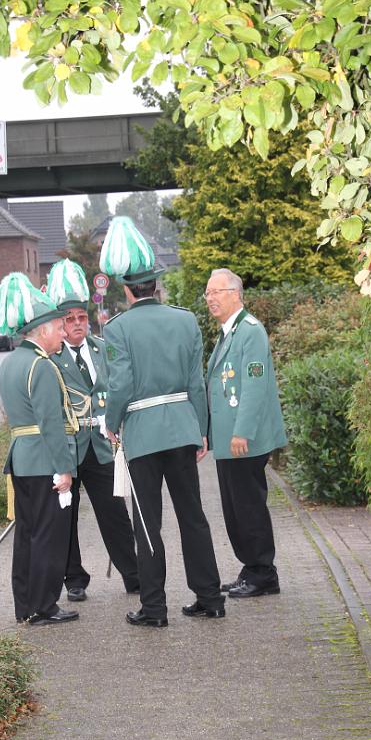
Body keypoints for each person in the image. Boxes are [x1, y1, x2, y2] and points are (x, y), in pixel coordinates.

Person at [100, 217, 224, 628]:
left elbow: (121, 384)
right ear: (155, 285)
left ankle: (154, 608)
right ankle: (210, 597)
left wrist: (111, 422)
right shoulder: (185, 320)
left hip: (142, 434)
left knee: (147, 523)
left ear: (126, 289)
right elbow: (196, 382)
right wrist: (202, 430)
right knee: (193, 517)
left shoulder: (117, 329)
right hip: (183, 429)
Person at [47, 259, 139, 600]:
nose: (77, 324)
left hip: (100, 444)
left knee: (114, 512)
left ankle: (134, 574)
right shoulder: (52, 357)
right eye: (69, 319)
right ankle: (74, 579)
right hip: (68, 446)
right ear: (60, 323)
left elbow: (118, 385)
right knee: (65, 516)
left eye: (81, 318)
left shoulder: (101, 349)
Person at [0, 272, 80, 626]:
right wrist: (65, 468)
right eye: (59, 328)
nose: (63, 333)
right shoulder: (41, 366)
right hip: (45, 461)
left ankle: (25, 605)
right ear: (42, 330)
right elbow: (50, 424)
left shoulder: (10, 362)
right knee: (48, 536)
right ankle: (45, 605)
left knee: (27, 536)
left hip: (22, 460)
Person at [205, 268, 287, 598]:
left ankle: (263, 573)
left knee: (249, 507)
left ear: (236, 294)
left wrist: (242, 432)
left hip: (243, 441)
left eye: (216, 292)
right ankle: (251, 567)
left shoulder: (250, 331)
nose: (210, 298)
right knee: (235, 509)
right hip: (228, 440)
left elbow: (254, 385)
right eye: (208, 293)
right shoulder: (230, 332)